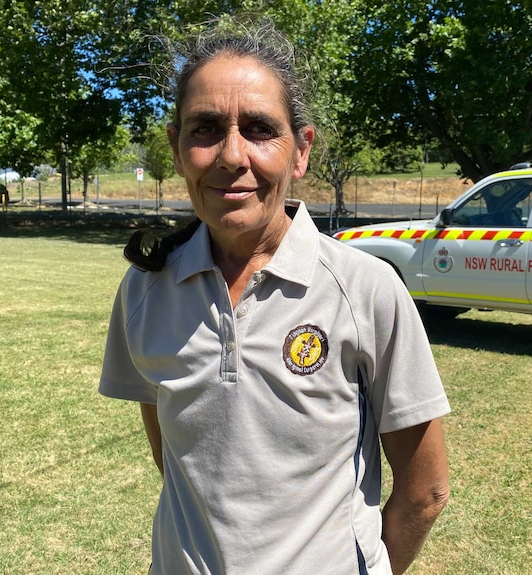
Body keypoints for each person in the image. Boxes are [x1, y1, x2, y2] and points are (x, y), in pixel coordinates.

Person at [99, 16, 450, 575]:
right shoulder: (146, 287)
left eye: (259, 129)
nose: (232, 155)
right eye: (205, 128)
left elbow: (425, 492)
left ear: (300, 150)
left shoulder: (364, 289)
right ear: (176, 145)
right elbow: (174, 457)